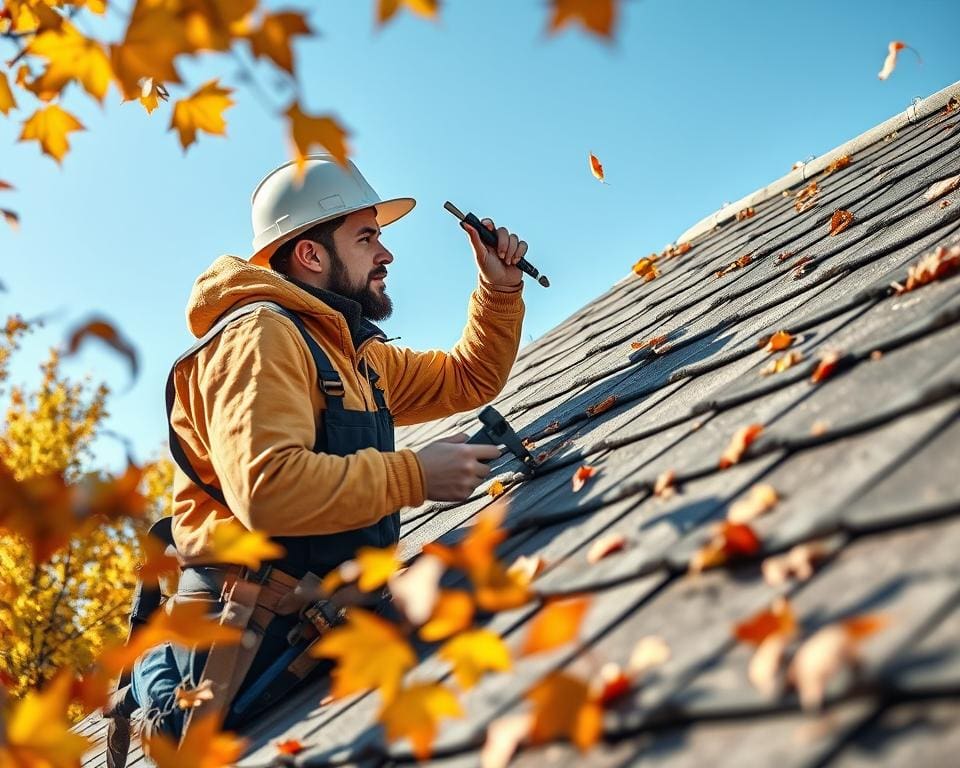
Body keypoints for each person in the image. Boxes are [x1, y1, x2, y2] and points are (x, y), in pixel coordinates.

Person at [114, 154, 527, 754]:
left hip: (314, 620)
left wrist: (499, 288)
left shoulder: (349, 350)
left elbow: (465, 380)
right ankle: (155, 691)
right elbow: (267, 490)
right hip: (241, 645)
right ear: (310, 254)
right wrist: (414, 475)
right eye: (366, 238)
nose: (385, 255)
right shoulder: (259, 337)